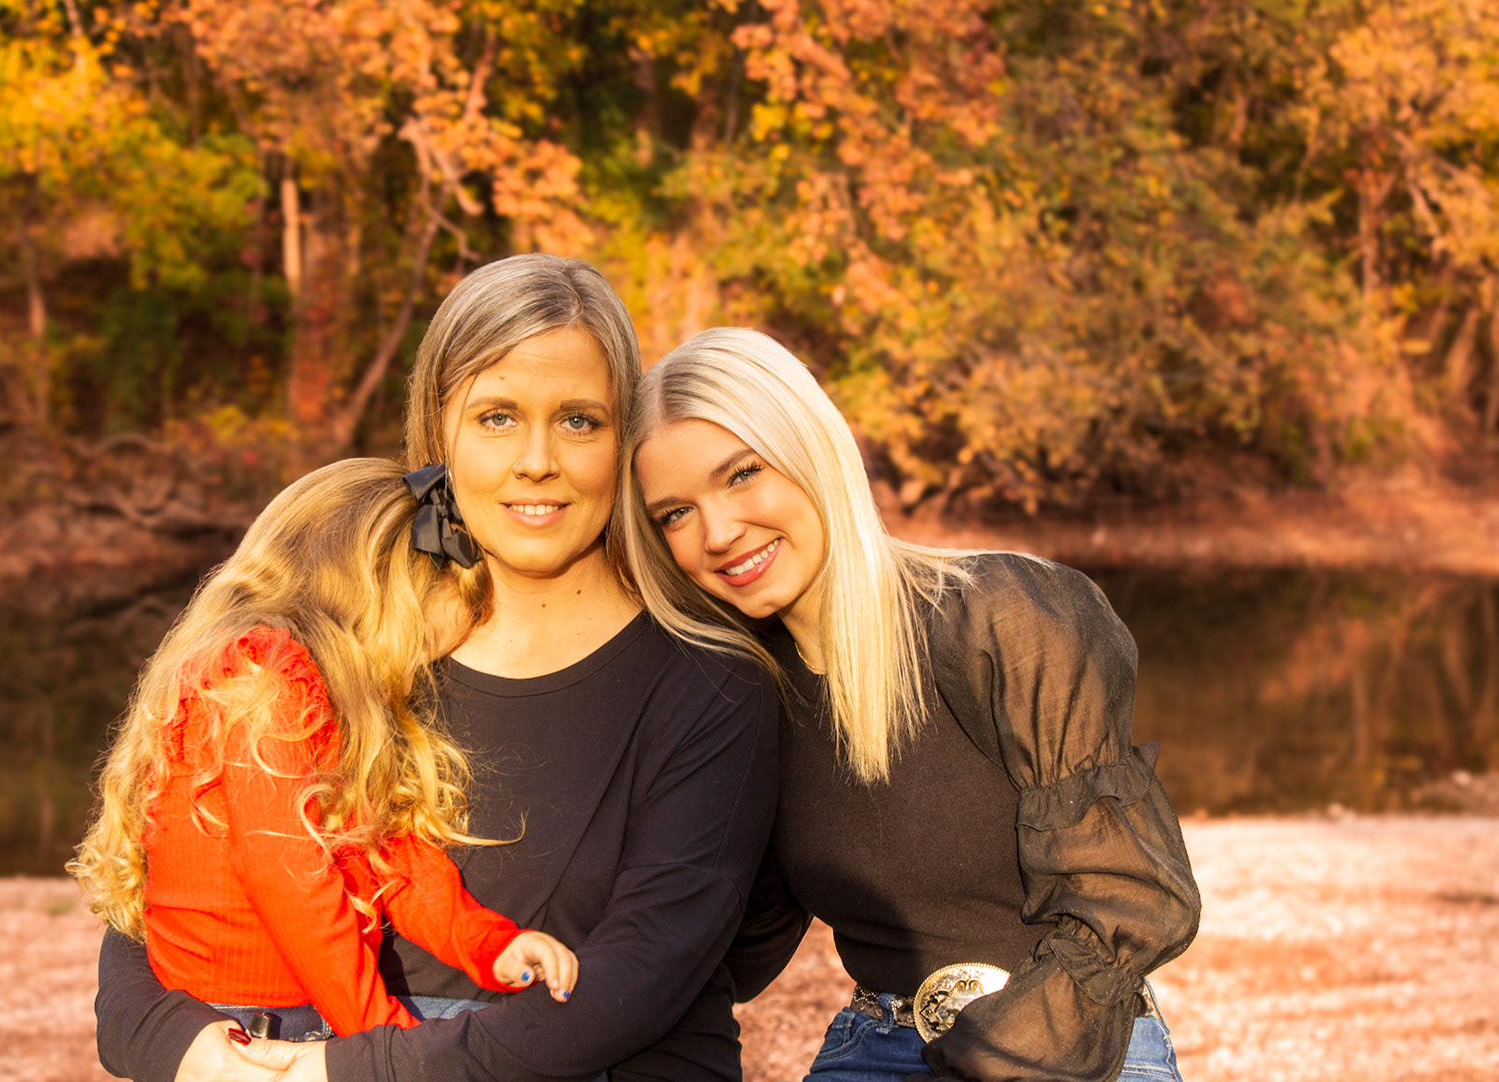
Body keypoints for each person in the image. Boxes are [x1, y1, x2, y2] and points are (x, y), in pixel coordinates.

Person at [91, 256, 782, 1082]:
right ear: (436, 435)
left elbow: (643, 977)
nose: (536, 460)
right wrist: (177, 1041)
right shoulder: (355, 645)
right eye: (496, 417)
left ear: (624, 441)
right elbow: (176, 883)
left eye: (579, 420)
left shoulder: (710, 685)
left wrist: (347, 1071)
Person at [623, 328, 1201, 1082]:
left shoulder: (1003, 616)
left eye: (742, 474)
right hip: (874, 1045)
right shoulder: (750, 694)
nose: (718, 532)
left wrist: (986, 1059)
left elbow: (1126, 897)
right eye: (674, 514)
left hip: (1067, 1037)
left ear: (810, 449)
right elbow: (738, 936)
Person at [67, 458, 579, 1044]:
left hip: (316, 1012)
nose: (414, 676)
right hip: (254, 1028)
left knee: (548, 1047)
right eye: (419, 647)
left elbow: (393, 858)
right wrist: (385, 1045)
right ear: (375, 597)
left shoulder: (332, 700)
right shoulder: (260, 681)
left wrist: (493, 945)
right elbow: (295, 891)